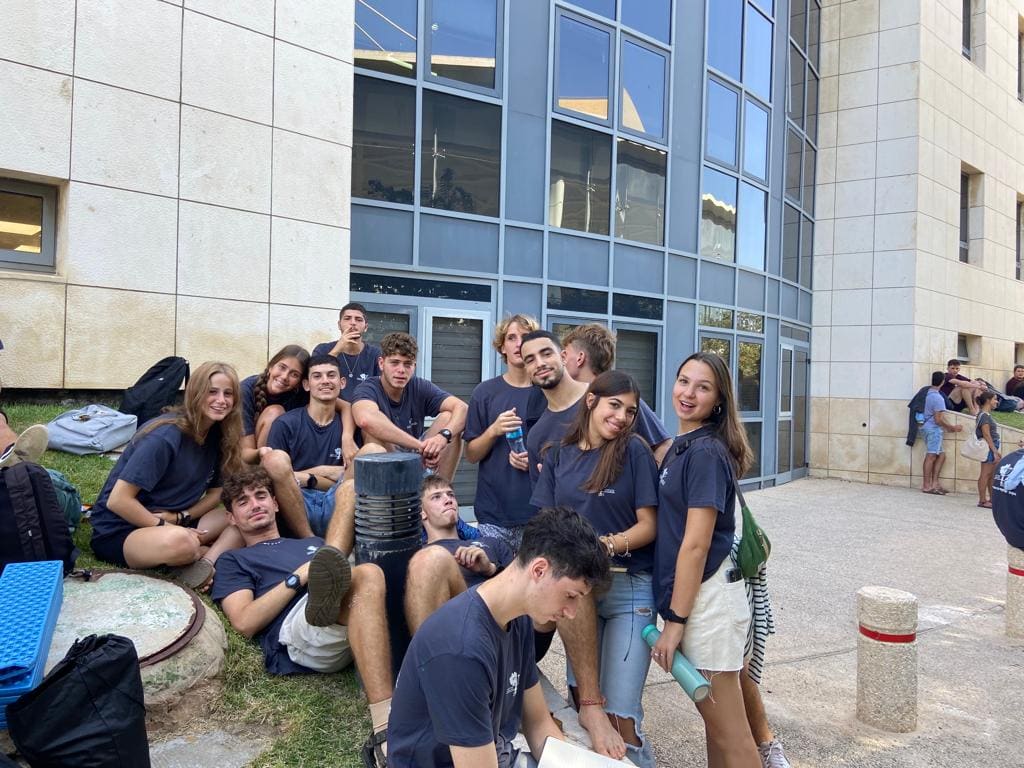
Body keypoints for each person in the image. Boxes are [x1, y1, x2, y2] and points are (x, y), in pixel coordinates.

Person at [387, 507, 609, 768]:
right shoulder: (461, 648)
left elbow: (538, 724)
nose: (571, 613)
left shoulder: (518, 618)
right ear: (539, 570)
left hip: (493, 754)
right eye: (570, 596)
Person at [210, 466, 392, 765]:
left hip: (348, 605)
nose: (255, 504)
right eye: (243, 502)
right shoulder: (235, 560)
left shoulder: (310, 543)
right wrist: (299, 577)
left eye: (261, 496)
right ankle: (384, 724)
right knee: (366, 574)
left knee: (350, 490)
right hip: (299, 630)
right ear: (231, 518)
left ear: (276, 503)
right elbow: (244, 622)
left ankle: (332, 585)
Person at [530, 370, 659, 768]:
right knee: (582, 699)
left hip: (628, 588)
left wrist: (605, 545)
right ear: (591, 401)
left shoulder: (634, 450)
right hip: (577, 594)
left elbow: (649, 525)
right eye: (614, 405)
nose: (621, 417)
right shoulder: (557, 455)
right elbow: (547, 526)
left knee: (620, 716)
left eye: (630, 411)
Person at [650, 351, 761, 767]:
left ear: (719, 400)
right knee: (716, 729)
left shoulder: (705, 454)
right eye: (683, 381)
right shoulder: (685, 446)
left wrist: (674, 623)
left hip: (708, 604)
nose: (688, 393)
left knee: (733, 736)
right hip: (699, 601)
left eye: (703, 387)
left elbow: (695, 545)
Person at [89, 361, 244, 589]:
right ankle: (204, 554)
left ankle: (206, 560)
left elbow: (217, 493)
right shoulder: (164, 437)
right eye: (212, 392)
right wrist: (166, 526)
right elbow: (118, 500)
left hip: (174, 520)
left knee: (241, 517)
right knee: (182, 542)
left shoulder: (217, 435)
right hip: (123, 531)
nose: (221, 401)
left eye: (228, 394)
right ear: (195, 392)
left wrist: (181, 517)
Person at [464, 314, 541, 550]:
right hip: (494, 517)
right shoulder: (485, 393)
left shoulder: (548, 393)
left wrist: (535, 460)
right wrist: (493, 430)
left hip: (539, 516)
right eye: (512, 337)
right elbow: (471, 454)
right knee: (493, 582)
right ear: (502, 347)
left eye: (526, 337)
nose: (519, 343)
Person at [261, 355, 358, 537]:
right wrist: (322, 473)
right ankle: (309, 540)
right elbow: (275, 475)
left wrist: (300, 476)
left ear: (342, 382)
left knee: (371, 454)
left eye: (331, 375)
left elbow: (353, 475)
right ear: (306, 385)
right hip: (297, 503)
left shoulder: (352, 428)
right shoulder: (286, 424)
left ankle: (335, 544)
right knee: (274, 460)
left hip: (340, 499)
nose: (325, 381)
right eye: (317, 376)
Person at [404, 475, 514, 632]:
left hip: (497, 626)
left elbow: (519, 585)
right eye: (436, 497)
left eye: (451, 495)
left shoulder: (492, 543)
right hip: (450, 631)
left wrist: (490, 569)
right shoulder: (417, 557)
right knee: (431, 558)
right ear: (422, 513)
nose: (448, 500)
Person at [352, 332, 468, 480]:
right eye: (394, 363)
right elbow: (365, 419)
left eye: (407, 364)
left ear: (414, 366)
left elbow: (462, 408)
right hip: (386, 462)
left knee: (450, 418)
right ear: (381, 363)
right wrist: (421, 447)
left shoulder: (418, 386)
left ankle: (440, 490)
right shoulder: (368, 388)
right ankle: (391, 496)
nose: (401, 370)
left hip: (418, 454)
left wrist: (443, 437)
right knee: (373, 433)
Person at [560, 323, 672, 463]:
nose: (561, 361)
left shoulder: (624, 397)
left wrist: (641, 477)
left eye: (565, 354)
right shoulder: (566, 400)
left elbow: (664, 446)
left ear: (580, 358)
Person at [519, 331, 588, 484]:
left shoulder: (604, 397)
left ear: (563, 357)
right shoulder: (537, 436)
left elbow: (654, 446)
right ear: (527, 371)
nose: (540, 363)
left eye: (546, 354)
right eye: (530, 360)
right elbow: (545, 501)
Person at [239, 345, 310, 463]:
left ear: (300, 382)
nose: (284, 377)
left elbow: (338, 404)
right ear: (271, 366)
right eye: (282, 367)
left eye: (294, 374)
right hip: (249, 460)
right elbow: (245, 452)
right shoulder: (245, 391)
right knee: (275, 412)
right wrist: (262, 452)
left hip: (284, 458)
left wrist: (347, 437)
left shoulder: (300, 393)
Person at [312, 302, 382, 402]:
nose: (353, 322)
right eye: (347, 318)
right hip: (329, 409)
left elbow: (381, 391)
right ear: (339, 325)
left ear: (366, 327)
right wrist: (338, 349)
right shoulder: (322, 350)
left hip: (364, 410)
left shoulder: (375, 354)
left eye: (358, 319)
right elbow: (314, 379)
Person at [921, 370, 963, 495]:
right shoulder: (938, 397)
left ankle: (935, 483)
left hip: (925, 427)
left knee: (941, 455)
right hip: (933, 429)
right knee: (931, 456)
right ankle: (927, 485)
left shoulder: (927, 393)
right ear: (943, 382)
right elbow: (938, 419)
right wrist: (952, 427)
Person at [975, 390, 1001, 509]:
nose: (996, 402)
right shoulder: (984, 415)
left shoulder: (985, 415)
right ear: (988, 401)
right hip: (989, 447)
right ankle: (982, 500)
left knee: (991, 475)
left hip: (992, 446)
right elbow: (986, 434)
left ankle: (991, 499)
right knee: (985, 474)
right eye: (995, 399)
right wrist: (994, 451)